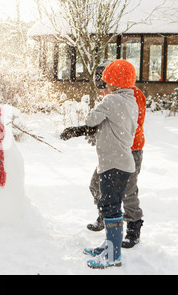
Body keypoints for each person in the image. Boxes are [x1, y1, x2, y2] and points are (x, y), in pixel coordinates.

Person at [62, 60, 138, 269]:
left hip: (113, 164)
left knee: (110, 207)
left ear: (113, 83)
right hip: (120, 163)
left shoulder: (112, 101)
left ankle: (113, 255)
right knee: (109, 204)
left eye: (107, 82)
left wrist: (101, 104)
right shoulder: (130, 101)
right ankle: (109, 245)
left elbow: (91, 120)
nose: (104, 85)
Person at [86, 62, 146, 249]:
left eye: (107, 79)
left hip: (130, 149)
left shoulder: (133, 95)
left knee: (128, 190)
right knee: (96, 184)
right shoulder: (112, 94)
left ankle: (133, 227)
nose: (105, 85)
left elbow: (129, 124)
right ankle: (105, 215)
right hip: (112, 152)